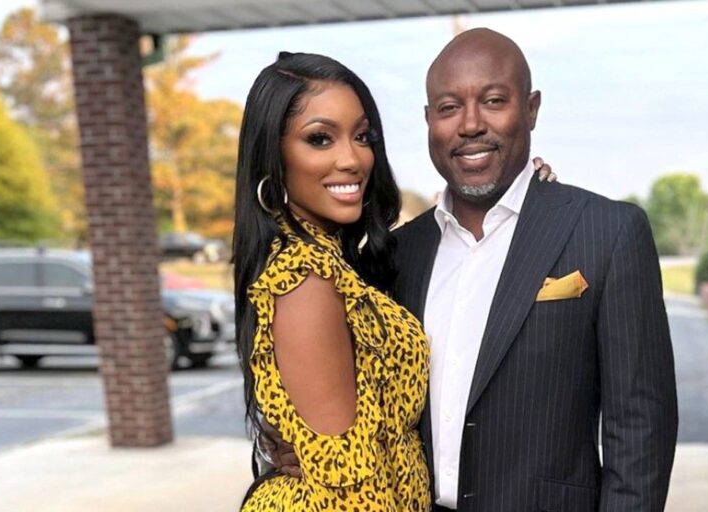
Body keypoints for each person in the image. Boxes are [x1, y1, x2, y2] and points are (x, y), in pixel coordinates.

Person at [270, 28, 679, 511]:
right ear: (429, 121)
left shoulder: (607, 233)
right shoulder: (396, 254)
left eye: (493, 101)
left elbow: (640, 430)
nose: (470, 125)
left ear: (531, 109)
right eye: (449, 108)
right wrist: (284, 441)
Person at [232, 51, 555, 510]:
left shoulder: (340, 265)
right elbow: (351, 488)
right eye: (320, 139)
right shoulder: (304, 276)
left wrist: (530, 198)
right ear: (273, 155)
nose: (352, 159)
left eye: (361, 136)